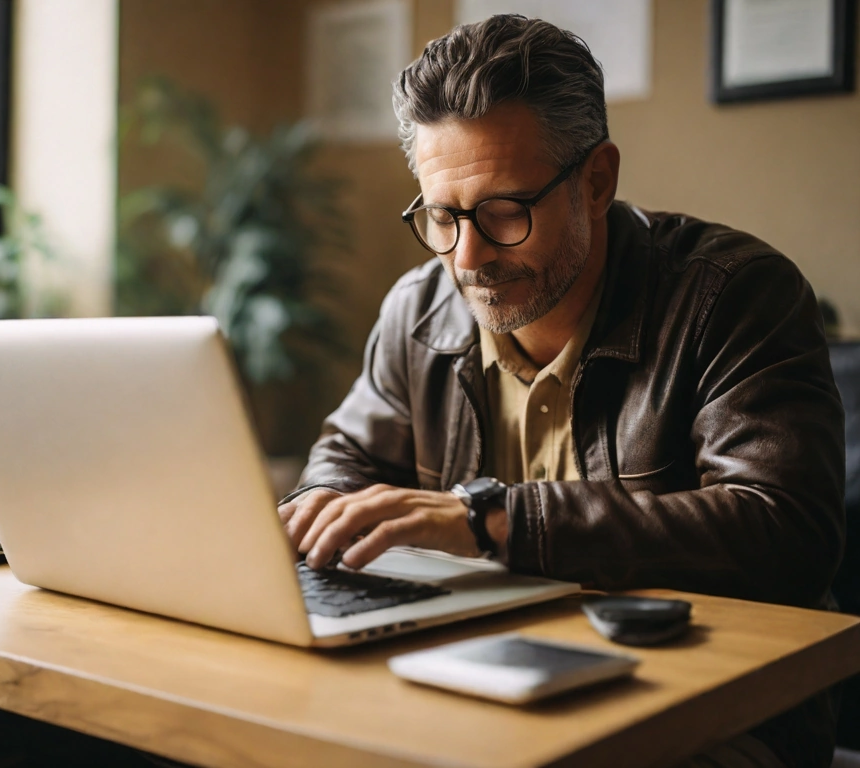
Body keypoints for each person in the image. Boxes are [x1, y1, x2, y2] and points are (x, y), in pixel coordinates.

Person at [278, 15, 844, 768]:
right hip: (470, 685)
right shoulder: (417, 309)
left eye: (504, 210)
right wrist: (326, 513)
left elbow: (785, 534)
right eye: (442, 215)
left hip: (708, 716)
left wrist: (493, 522)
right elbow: (344, 458)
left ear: (597, 179)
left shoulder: (733, 295)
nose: (468, 257)